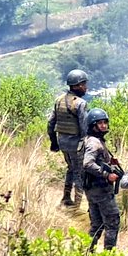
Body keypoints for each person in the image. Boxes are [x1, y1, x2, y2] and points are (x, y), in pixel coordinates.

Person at [48, 69, 89, 208]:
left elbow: (50, 123)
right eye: (83, 84)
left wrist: (54, 142)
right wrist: (86, 143)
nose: (85, 87)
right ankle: (77, 205)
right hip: (76, 143)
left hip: (63, 142)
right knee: (79, 172)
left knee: (70, 168)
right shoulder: (80, 103)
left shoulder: (59, 100)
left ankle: (66, 196)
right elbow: (84, 127)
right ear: (76, 85)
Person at [82, 108, 121, 251]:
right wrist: (107, 175)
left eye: (105, 122)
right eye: (100, 123)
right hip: (100, 190)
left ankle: (87, 251)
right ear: (93, 125)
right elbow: (87, 163)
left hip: (94, 190)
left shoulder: (95, 141)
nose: (104, 125)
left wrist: (110, 163)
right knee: (113, 222)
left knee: (97, 224)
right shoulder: (94, 143)